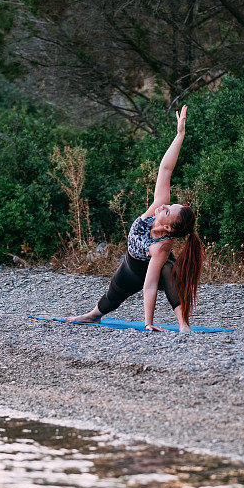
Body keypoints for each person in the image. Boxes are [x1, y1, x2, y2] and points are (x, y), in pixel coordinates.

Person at [66, 105, 203, 333]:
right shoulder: (156, 209)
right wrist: (180, 135)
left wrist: (148, 323)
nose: (165, 206)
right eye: (169, 204)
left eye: (168, 210)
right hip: (130, 266)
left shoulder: (161, 247)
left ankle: (183, 324)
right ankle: (93, 315)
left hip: (146, 270)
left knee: (169, 274)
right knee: (111, 297)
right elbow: (166, 168)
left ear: (168, 227)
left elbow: (149, 285)